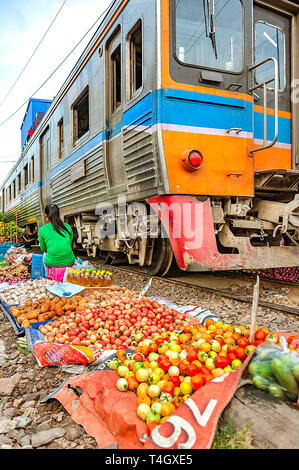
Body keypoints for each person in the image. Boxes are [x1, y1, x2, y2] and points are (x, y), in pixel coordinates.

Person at [38, 204, 75, 275]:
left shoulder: (42, 229)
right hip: (69, 262)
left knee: (44, 254)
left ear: (46, 215)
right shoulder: (67, 226)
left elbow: (43, 249)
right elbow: (69, 244)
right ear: (58, 214)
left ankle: (49, 277)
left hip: (51, 263)